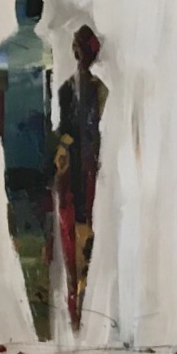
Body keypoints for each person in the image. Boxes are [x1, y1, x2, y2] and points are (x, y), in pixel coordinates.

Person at [0, 0, 56, 341]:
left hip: (15, 147)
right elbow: (47, 103)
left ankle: (30, 280)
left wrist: (4, 131)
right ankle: (41, 298)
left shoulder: (3, 51)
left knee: (20, 215)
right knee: (39, 210)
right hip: (36, 143)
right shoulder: (45, 50)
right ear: (38, 14)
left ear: (19, 13)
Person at [55, 25, 108, 336]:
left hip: (84, 171)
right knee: (77, 231)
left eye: (78, 47)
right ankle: (76, 300)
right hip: (80, 170)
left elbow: (69, 131)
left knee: (80, 233)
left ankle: (78, 300)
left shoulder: (93, 89)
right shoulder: (74, 90)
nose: (77, 53)